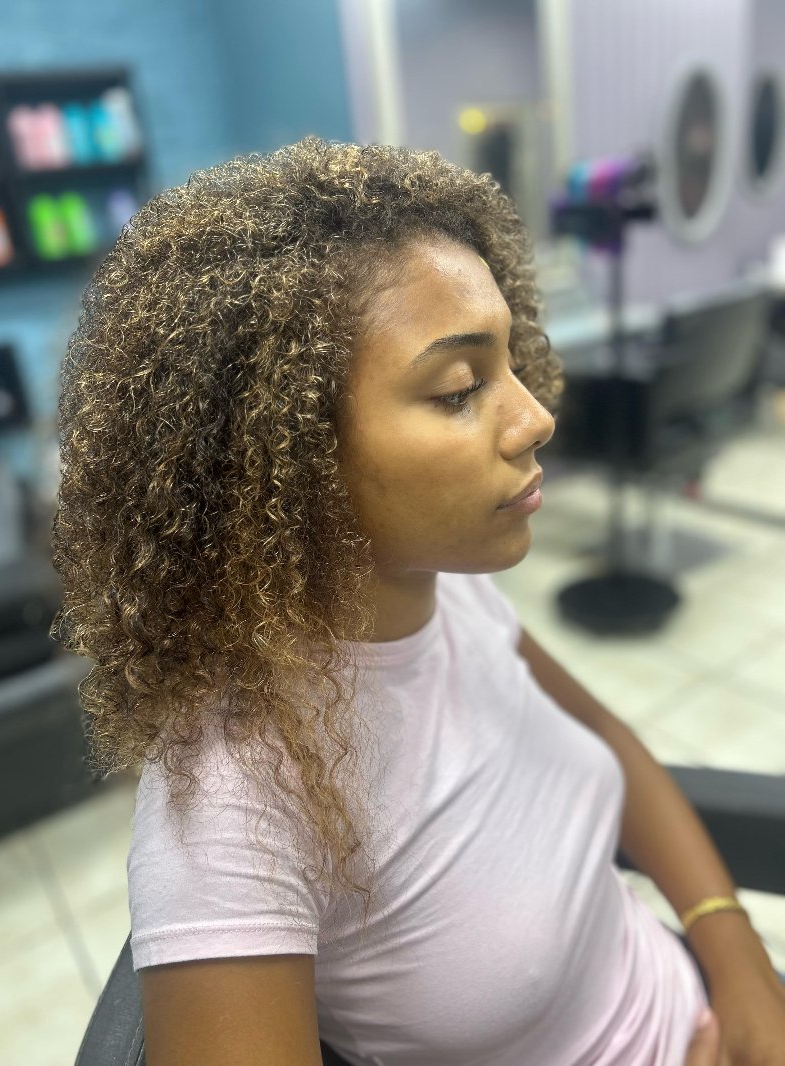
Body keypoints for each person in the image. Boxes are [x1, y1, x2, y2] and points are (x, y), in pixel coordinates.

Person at [51, 137, 785, 1065]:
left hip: (700, 997)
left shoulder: (445, 593)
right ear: (289, 457)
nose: (535, 417)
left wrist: (735, 953)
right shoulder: (231, 809)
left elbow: (605, 736)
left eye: (511, 361)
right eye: (458, 390)